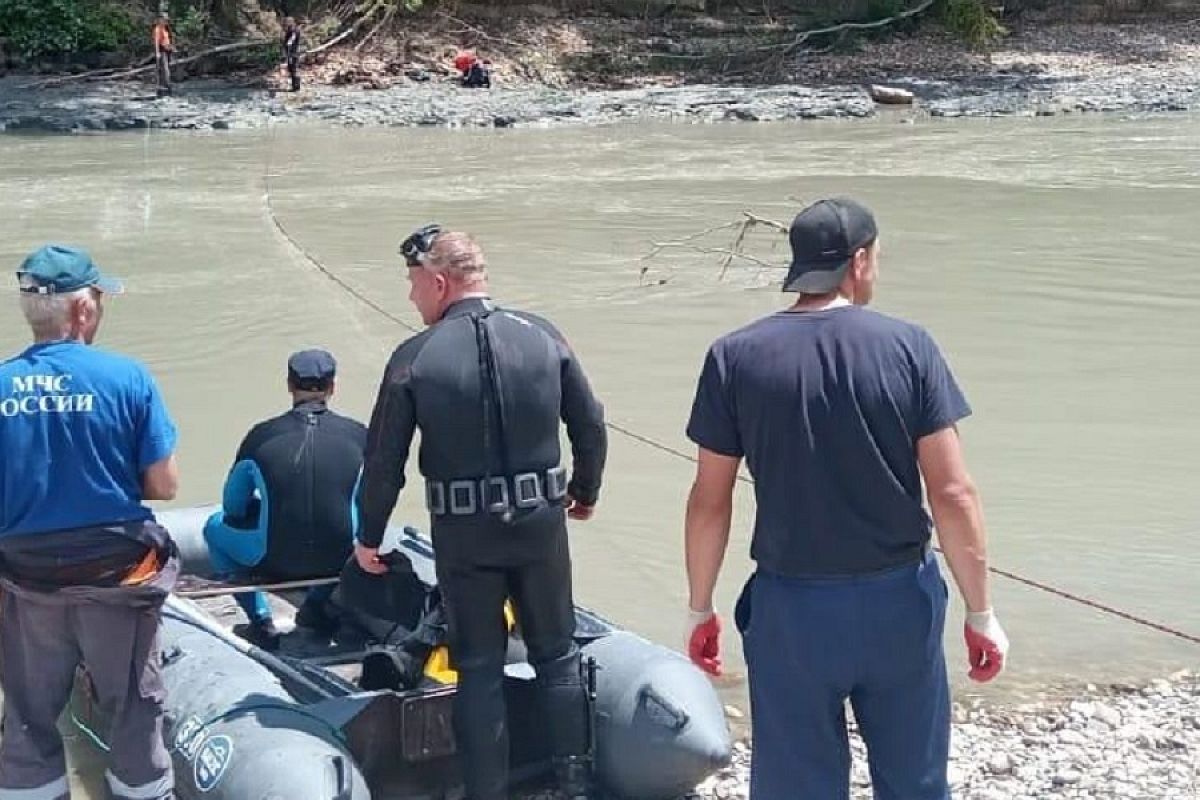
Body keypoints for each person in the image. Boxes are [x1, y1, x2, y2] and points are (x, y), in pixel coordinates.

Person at [682, 198, 1010, 800]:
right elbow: (953, 491)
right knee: (914, 782)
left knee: (795, 786)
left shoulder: (734, 356)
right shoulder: (909, 346)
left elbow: (710, 498)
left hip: (793, 609)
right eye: (877, 258)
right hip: (898, 604)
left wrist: (700, 607)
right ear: (858, 261)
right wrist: (980, 612)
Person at [356, 225, 607, 800]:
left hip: (465, 536)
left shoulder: (414, 358)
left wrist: (369, 536)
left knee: (479, 666)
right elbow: (590, 424)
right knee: (557, 653)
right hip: (541, 523)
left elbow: (383, 459)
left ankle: (486, 791)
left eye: (414, 282)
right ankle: (573, 784)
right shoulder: (544, 337)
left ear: (440, 282)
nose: (411, 295)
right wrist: (585, 492)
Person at [0, 244, 179, 800]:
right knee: (133, 709)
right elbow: (164, 485)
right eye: (99, 298)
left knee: (27, 717)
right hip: (116, 583)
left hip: (28, 583)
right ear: (82, 309)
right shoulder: (128, 378)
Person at [203, 348, 367, 649]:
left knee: (213, 528)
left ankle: (260, 621)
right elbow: (372, 502)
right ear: (333, 387)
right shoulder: (360, 436)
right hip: (340, 560)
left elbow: (232, 507)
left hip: (275, 559)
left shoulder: (260, 436)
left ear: (289, 385)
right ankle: (316, 606)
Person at [152, 12, 173, 97]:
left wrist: (172, 47)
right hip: (162, 51)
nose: (165, 21)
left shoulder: (166, 28)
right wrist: (157, 53)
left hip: (168, 51)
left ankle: (165, 88)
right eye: (164, 19)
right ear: (160, 20)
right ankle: (166, 88)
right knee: (164, 70)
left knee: (166, 70)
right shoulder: (157, 29)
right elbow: (156, 42)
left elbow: (168, 40)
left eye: (166, 20)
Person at [281, 16, 302, 92]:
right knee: (291, 69)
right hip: (291, 53)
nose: (285, 24)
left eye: (287, 22)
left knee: (293, 69)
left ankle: (296, 87)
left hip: (293, 54)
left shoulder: (295, 31)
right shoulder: (291, 30)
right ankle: (295, 87)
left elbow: (290, 42)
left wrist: (288, 54)